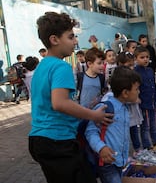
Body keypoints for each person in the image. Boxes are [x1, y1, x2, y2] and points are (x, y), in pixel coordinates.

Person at [28, 12, 113, 183]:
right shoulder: (61, 67)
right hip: (58, 141)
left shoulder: (42, 66)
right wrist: (94, 115)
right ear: (54, 40)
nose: (75, 41)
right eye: (71, 37)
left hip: (40, 140)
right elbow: (60, 103)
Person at [85, 66, 141, 183]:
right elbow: (90, 131)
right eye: (136, 89)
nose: (138, 92)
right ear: (125, 93)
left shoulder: (124, 106)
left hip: (119, 161)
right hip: (107, 162)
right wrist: (101, 148)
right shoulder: (105, 108)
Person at [115, 51, 143, 153]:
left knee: (134, 130)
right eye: (129, 65)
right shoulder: (119, 80)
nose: (132, 67)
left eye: (133, 65)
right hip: (125, 111)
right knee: (124, 133)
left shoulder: (133, 76)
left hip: (132, 112)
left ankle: (136, 149)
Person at [134, 46, 156, 149]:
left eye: (147, 57)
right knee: (145, 127)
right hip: (143, 105)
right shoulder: (135, 72)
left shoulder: (150, 70)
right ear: (136, 59)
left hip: (152, 104)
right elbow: (135, 89)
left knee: (153, 125)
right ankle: (147, 146)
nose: (145, 59)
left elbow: (154, 88)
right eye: (142, 57)